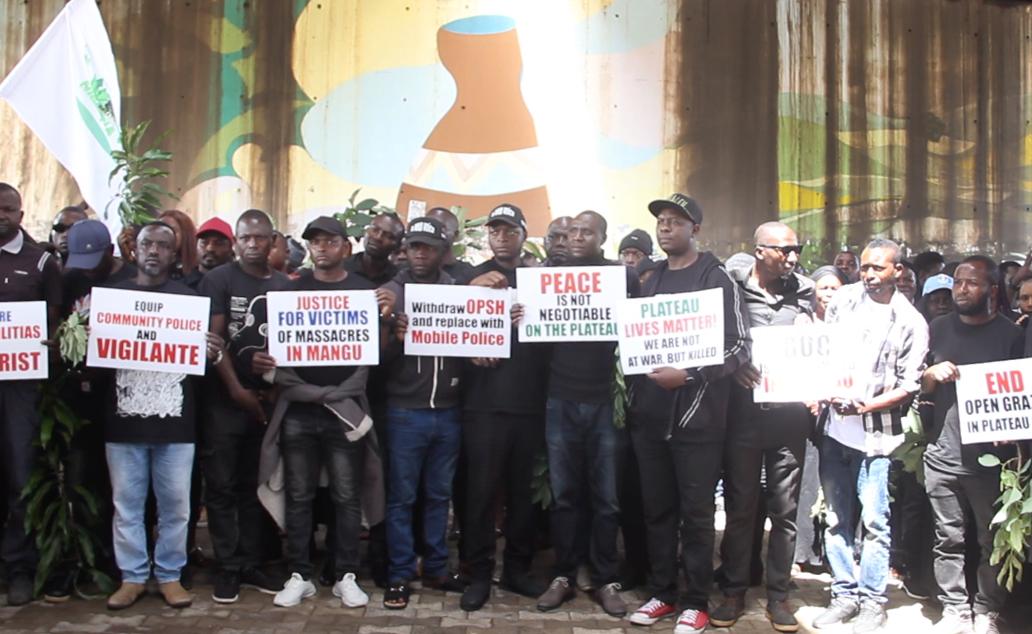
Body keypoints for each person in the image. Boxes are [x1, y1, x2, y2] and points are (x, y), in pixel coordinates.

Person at [625, 194, 748, 634]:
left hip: (698, 422)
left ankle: (695, 600)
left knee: (696, 514)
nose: (665, 228)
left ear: (695, 229)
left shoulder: (717, 278)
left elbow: (738, 347)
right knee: (657, 511)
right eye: (661, 221)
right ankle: (662, 592)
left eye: (676, 222)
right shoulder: (649, 276)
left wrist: (690, 375)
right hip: (650, 420)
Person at [256, 217, 392, 609]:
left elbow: (375, 355)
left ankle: (346, 574)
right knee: (298, 495)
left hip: (345, 408)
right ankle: (299, 574)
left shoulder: (364, 292)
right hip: (299, 408)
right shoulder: (290, 289)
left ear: (345, 247)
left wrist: (384, 320)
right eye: (314, 241)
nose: (321, 247)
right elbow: (275, 350)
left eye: (330, 241)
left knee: (347, 495)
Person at [103, 222, 222, 610]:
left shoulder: (188, 301)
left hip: (176, 423)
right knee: (127, 505)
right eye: (147, 244)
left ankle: (170, 575)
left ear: (175, 255)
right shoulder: (112, 300)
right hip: (123, 421)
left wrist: (212, 352)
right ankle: (133, 577)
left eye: (163, 246)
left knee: (177, 507)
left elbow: (202, 366)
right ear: (134, 251)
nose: (154, 251)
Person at [813, 238, 928, 633]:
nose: (869, 275)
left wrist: (864, 407)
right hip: (834, 433)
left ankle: (872, 601)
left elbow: (909, 386)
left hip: (876, 441)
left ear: (899, 271)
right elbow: (820, 350)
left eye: (878, 268)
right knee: (837, 519)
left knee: (876, 522)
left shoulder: (911, 321)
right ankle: (843, 594)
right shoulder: (844, 300)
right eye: (864, 267)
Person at [534, 210, 641, 618]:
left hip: (604, 402)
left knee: (608, 499)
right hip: (559, 399)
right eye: (572, 231)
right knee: (565, 497)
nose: (576, 238)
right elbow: (535, 342)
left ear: (602, 238)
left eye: (586, 232)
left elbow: (638, 329)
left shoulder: (621, 278)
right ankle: (563, 575)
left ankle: (605, 579)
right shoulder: (544, 280)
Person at [712, 222, 813, 633]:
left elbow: (823, 346)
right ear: (759, 251)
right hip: (744, 419)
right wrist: (732, 366)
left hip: (790, 419)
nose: (792, 258)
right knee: (740, 509)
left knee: (785, 512)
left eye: (796, 250)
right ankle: (734, 590)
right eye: (784, 250)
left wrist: (813, 336)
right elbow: (711, 339)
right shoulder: (730, 290)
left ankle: (778, 595)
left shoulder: (804, 293)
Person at [921, 257, 1022, 634]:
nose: (961, 290)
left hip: (990, 461)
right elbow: (923, 391)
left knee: (991, 539)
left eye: (971, 284)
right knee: (947, 538)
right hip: (943, 455)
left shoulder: (1011, 335)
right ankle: (954, 609)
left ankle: (986, 609)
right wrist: (930, 376)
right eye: (958, 282)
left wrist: (1013, 428)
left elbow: (1022, 396)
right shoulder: (938, 328)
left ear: (992, 290)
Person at [458, 205, 549, 611]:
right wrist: (474, 296)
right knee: (478, 495)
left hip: (529, 404)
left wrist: (532, 316)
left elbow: (562, 330)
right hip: (482, 406)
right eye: (494, 230)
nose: (500, 237)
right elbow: (443, 328)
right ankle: (478, 574)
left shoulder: (540, 281)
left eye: (509, 230)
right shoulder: (468, 278)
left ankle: (516, 569)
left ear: (523, 234)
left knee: (522, 496)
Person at [197, 209, 289, 603]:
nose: (252, 244)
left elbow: (293, 347)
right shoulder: (218, 280)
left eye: (259, 238)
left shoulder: (287, 285)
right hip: (225, 401)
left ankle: (250, 562)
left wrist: (272, 391)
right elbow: (213, 343)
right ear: (236, 242)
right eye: (245, 238)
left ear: (273, 241)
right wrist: (237, 390)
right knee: (221, 486)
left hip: (269, 402)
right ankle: (228, 566)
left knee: (256, 484)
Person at [380, 217, 466, 609]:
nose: (419, 253)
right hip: (404, 412)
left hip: (448, 411)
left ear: (441, 251)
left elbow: (472, 343)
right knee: (401, 498)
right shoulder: (388, 294)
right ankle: (399, 573)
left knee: (438, 495)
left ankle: (435, 566)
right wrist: (393, 336)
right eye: (413, 246)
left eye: (427, 247)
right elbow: (372, 361)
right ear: (405, 250)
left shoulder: (457, 292)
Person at [0, 183, 62, 606]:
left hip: (20, 389)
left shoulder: (41, 262)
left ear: (21, 214)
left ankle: (18, 566)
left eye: (8, 209)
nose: (0, 215)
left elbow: (53, 326)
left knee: (20, 475)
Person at [793, 266, 845, 575]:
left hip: (841, 418)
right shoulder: (801, 324)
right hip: (806, 418)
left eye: (834, 288)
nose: (828, 294)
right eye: (823, 288)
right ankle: (803, 552)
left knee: (836, 489)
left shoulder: (853, 326)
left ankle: (832, 553)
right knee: (807, 487)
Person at [344, 212, 405, 285]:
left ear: (397, 245)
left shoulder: (399, 279)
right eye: (375, 230)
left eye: (388, 236)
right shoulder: (341, 269)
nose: (378, 237)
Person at [425, 207, 476, 284]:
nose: (433, 232)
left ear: (456, 235)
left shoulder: (470, 274)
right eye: (429, 227)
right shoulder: (408, 270)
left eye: (441, 228)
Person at [157, 209, 199, 285]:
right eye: (158, 230)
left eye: (170, 230)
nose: (162, 235)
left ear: (185, 235)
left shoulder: (198, 274)